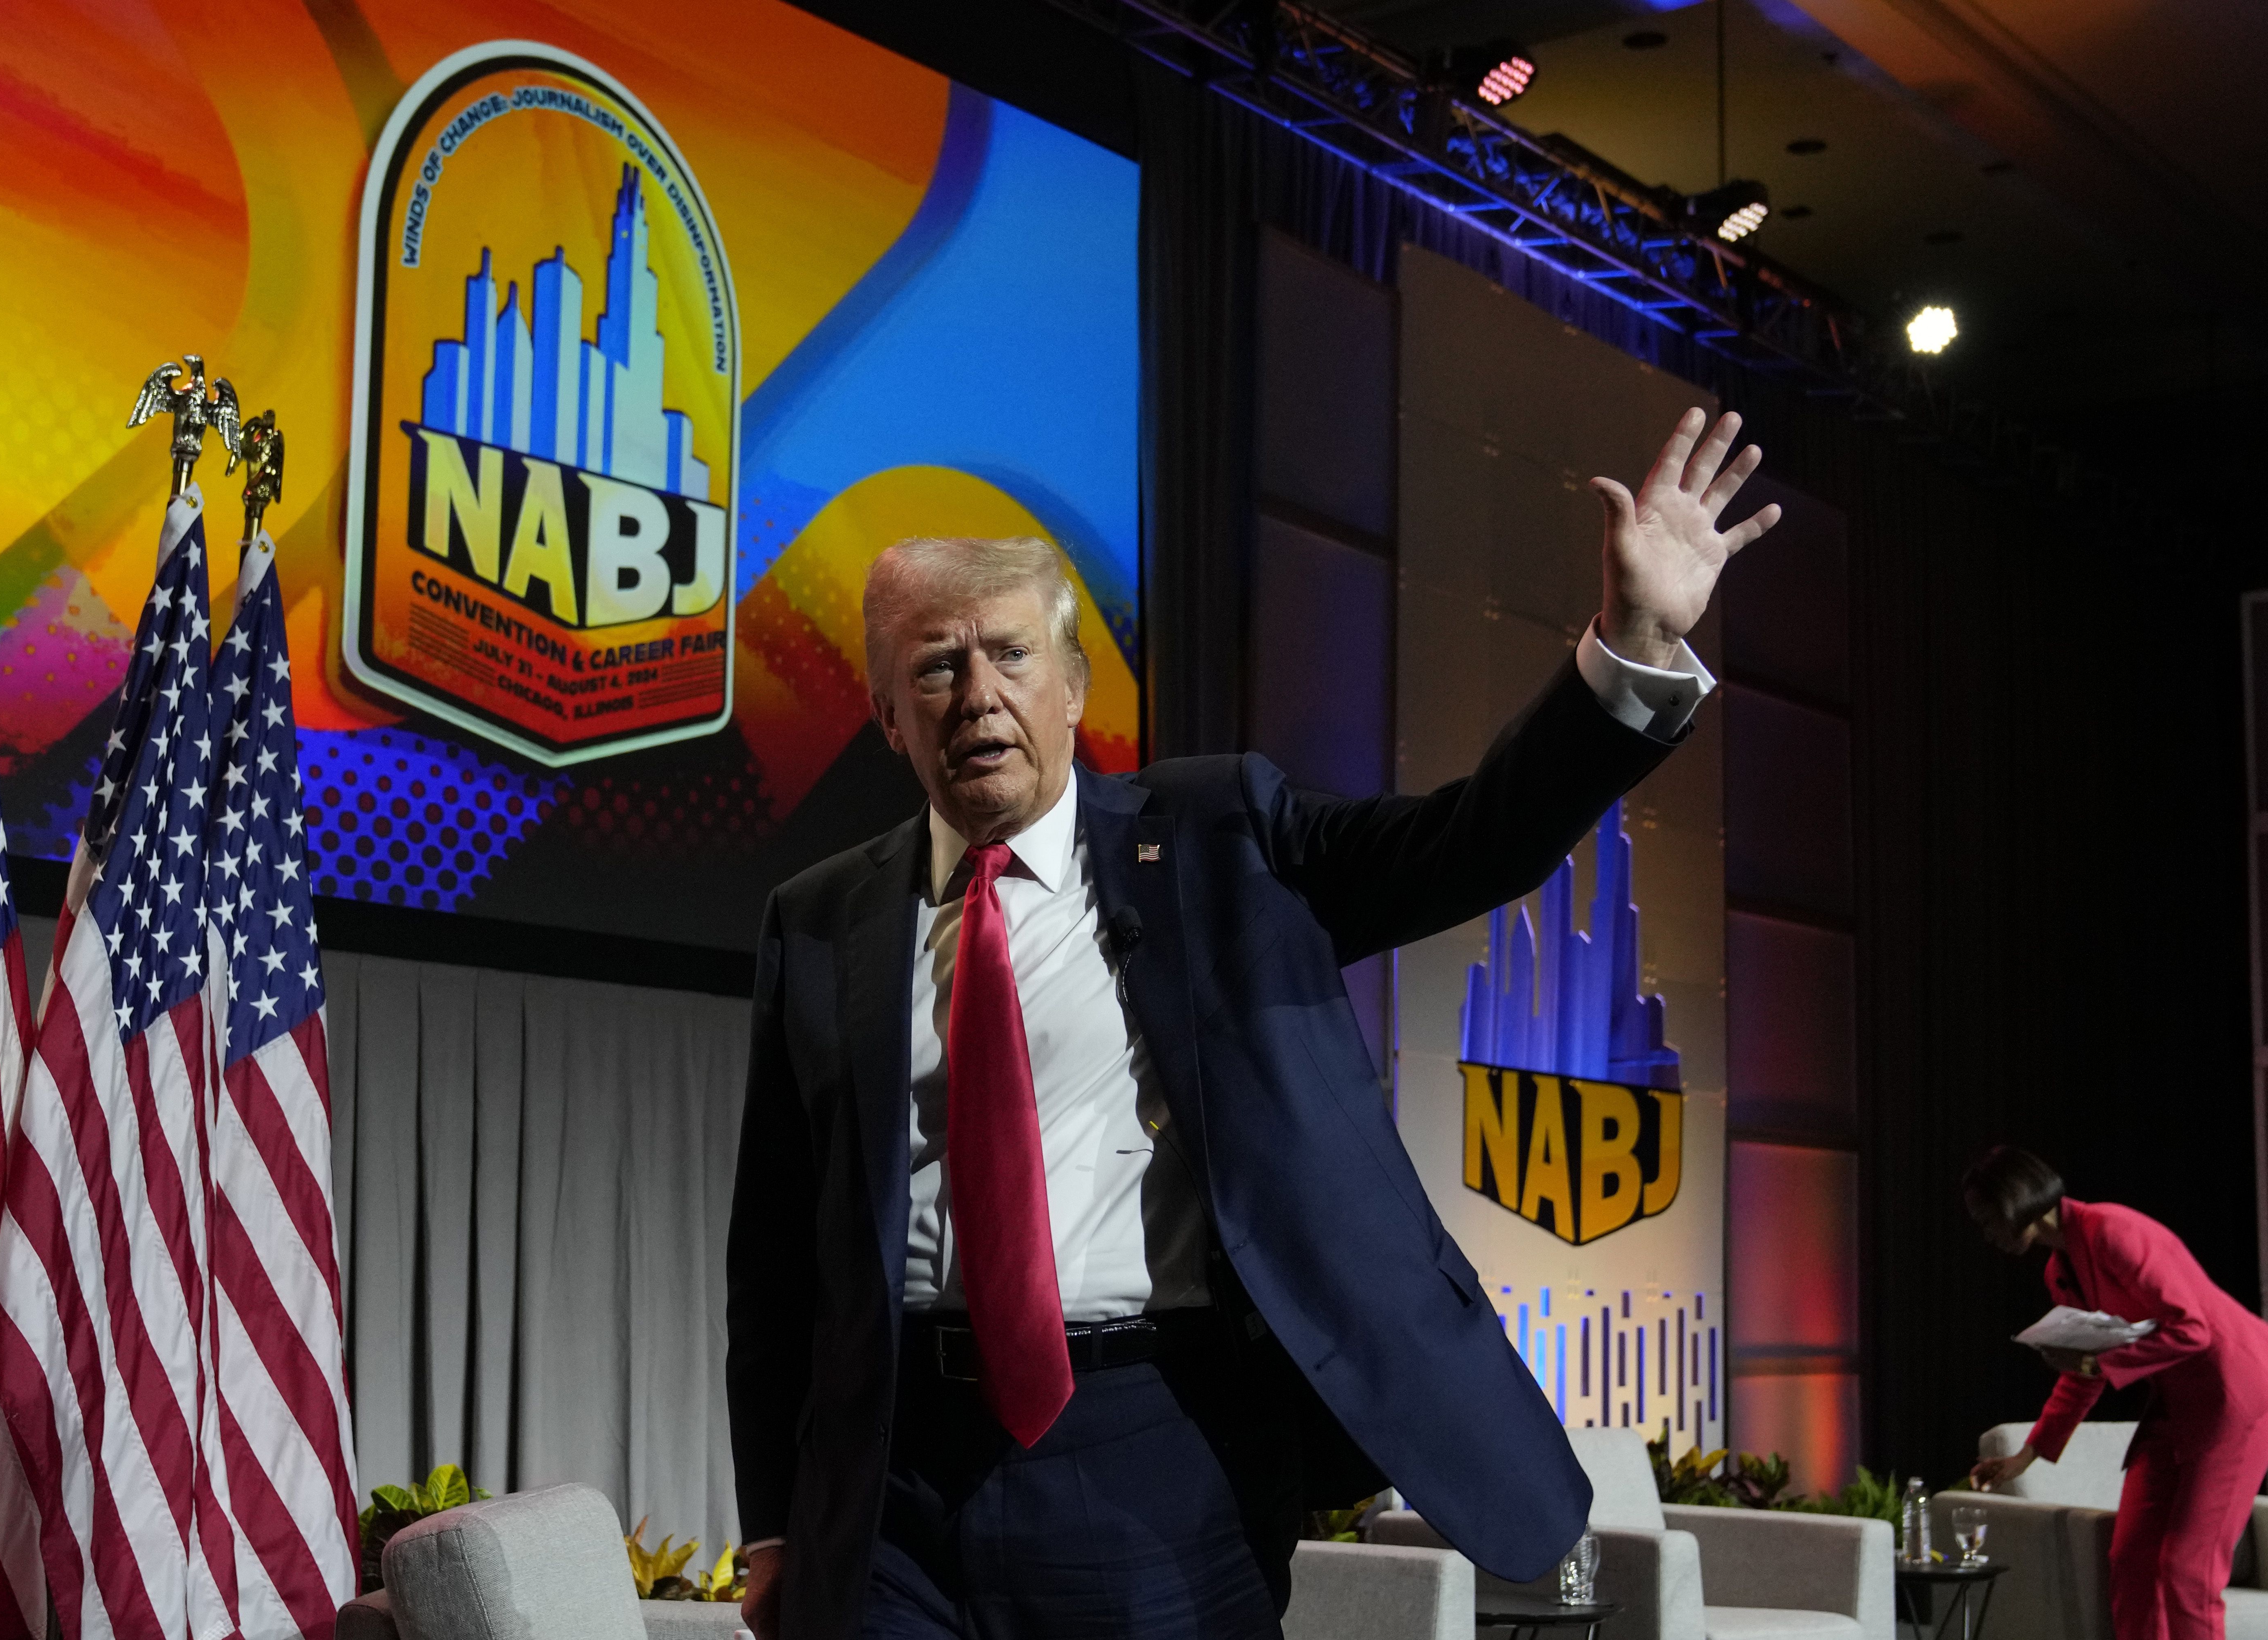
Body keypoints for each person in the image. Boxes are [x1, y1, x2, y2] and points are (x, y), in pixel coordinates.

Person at [728, 408, 1781, 1639]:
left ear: (1074, 688)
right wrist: (772, 1521)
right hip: (894, 1475)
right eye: (935, 665)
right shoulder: (817, 917)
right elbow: (775, 1258)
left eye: (1011, 654)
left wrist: (1632, 645)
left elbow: (1468, 840)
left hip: (1152, 1446)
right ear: (885, 710)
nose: (978, 695)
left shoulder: (1223, 834)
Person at [1966, 1145, 2268, 1640]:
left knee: (2187, 1571)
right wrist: (2028, 1454)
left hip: (2234, 1395)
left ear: (2016, 1201)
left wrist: (2093, 1360)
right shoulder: (2060, 1270)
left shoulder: (2113, 1230)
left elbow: (2193, 1329)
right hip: (2175, 1404)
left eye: (1988, 1220)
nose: (1989, 1235)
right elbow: (2085, 1371)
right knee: (2130, 1559)